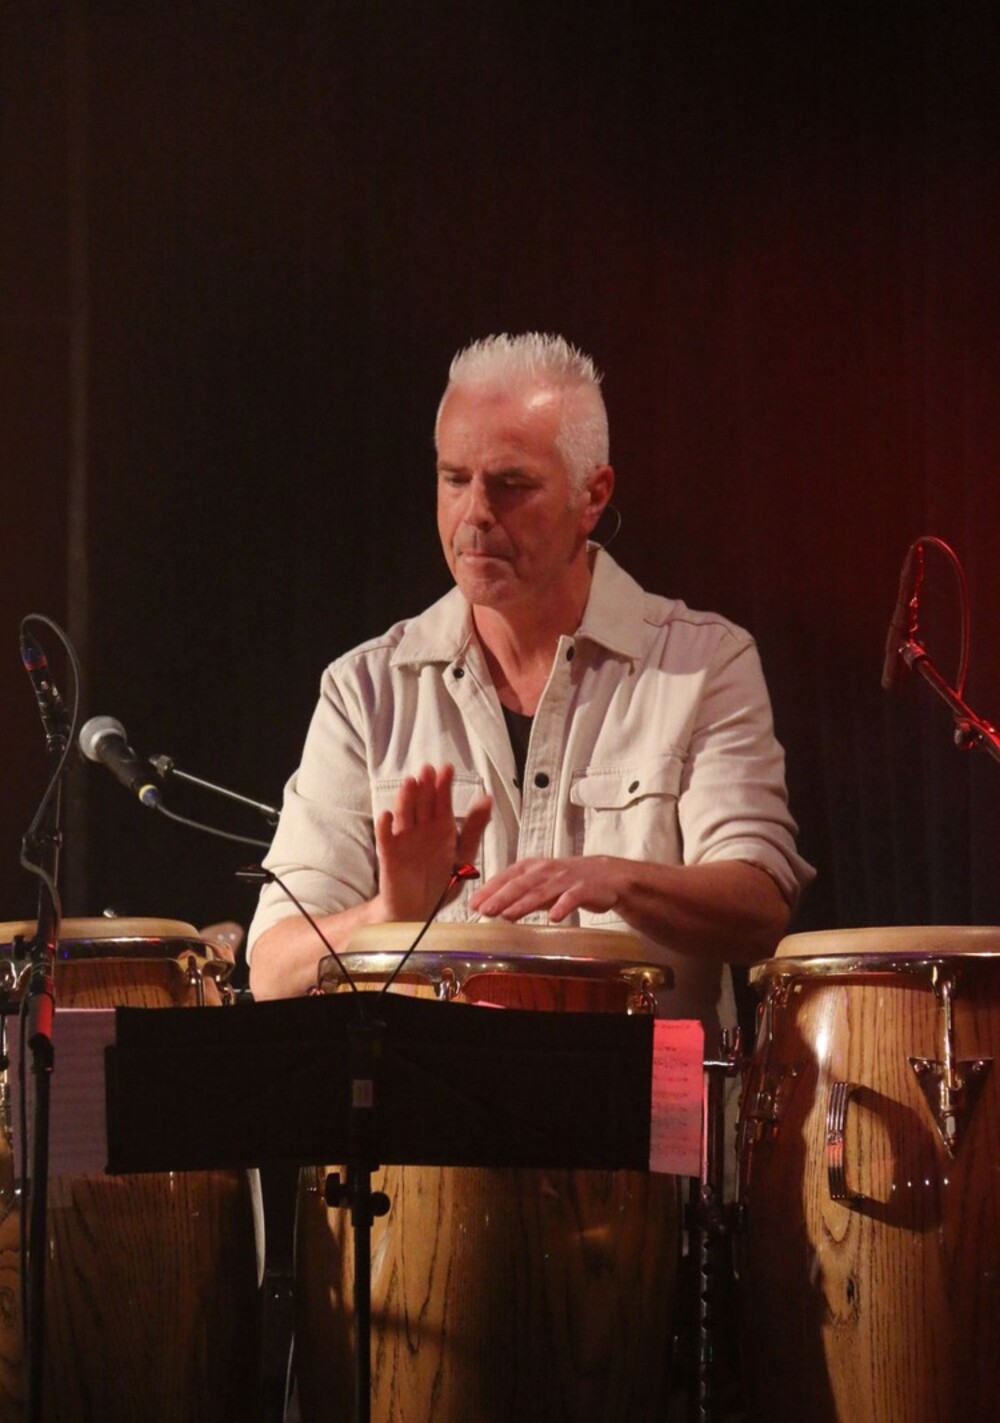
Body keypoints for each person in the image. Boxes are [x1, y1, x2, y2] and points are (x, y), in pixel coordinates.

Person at [248, 332, 813, 1036]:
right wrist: (390, 913)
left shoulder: (704, 664)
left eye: (511, 485)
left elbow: (760, 905)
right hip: (429, 1105)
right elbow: (271, 969)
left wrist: (620, 879)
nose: (475, 513)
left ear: (592, 495)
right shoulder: (365, 689)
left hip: (636, 1100)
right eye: (455, 479)